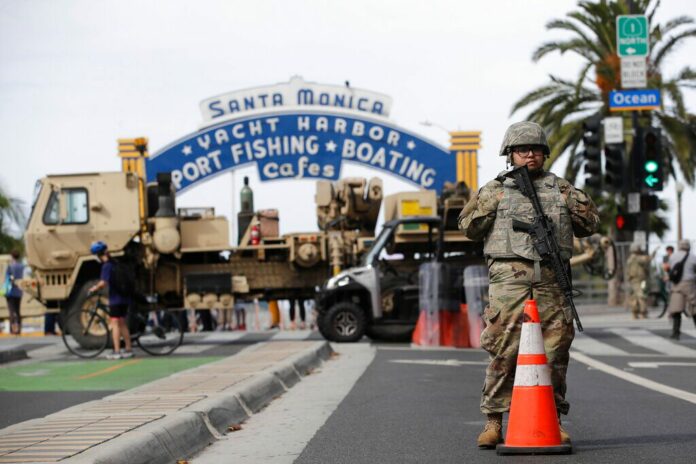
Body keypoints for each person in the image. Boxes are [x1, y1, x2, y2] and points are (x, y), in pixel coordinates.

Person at [458, 121, 599, 448]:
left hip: (551, 280)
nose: (530, 155)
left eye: (536, 150)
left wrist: (572, 198)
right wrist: (490, 201)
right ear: (511, 154)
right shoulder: (496, 189)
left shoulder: (560, 189)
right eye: (523, 150)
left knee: (554, 351)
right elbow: (468, 226)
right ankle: (494, 420)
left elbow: (590, 223)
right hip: (509, 282)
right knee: (503, 348)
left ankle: (551, 418)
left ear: (545, 154)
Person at [87, 241, 134, 359]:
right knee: (122, 323)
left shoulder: (106, 266)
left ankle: (117, 351)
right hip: (124, 297)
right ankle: (128, 349)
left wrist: (94, 288)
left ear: (98, 255)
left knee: (115, 324)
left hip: (116, 299)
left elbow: (103, 282)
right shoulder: (115, 262)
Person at [664, 240, 696, 339]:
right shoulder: (693, 257)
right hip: (690, 284)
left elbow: (669, 269)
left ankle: (676, 333)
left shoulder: (673, 256)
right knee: (694, 308)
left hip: (677, 285)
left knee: (676, 310)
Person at [625, 243, 656, 319]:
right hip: (639, 280)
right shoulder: (637, 258)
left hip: (633, 280)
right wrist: (653, 253)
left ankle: (635, 313)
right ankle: (643, 312)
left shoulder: (630, 259)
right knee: (642, 296)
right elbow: (647, 259)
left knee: (634, 296)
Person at [5, 250, 25, 335]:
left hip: (11, 291)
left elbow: (8, 278)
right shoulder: (22, 266)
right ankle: (19, 329)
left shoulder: (10, 266)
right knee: (18, 311)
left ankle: (12, 329)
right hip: (19, 291)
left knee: (11, 311)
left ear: (12, 256)